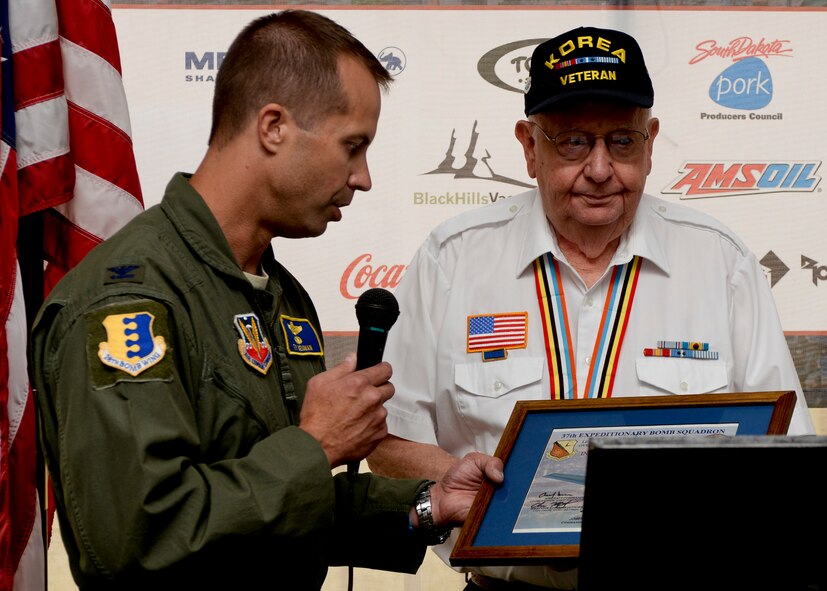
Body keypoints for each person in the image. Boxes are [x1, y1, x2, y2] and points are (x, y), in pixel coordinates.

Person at [31, 10, 503, 590]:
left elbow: (283, 508)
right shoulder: (130, 302)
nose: (364, 178)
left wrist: (431, 503)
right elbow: (136, 539)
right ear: (273, 126)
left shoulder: (281, 296)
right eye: (352, 146)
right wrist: (314, 446)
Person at [367, 25, 816, 591]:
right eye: (574, 141)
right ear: (530, 147)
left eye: (622, 142)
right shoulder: (451, 260)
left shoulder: (721, 264)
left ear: (651, 142)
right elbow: (387, 438)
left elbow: (782, 455)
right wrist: (464, 479)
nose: (601, 169)